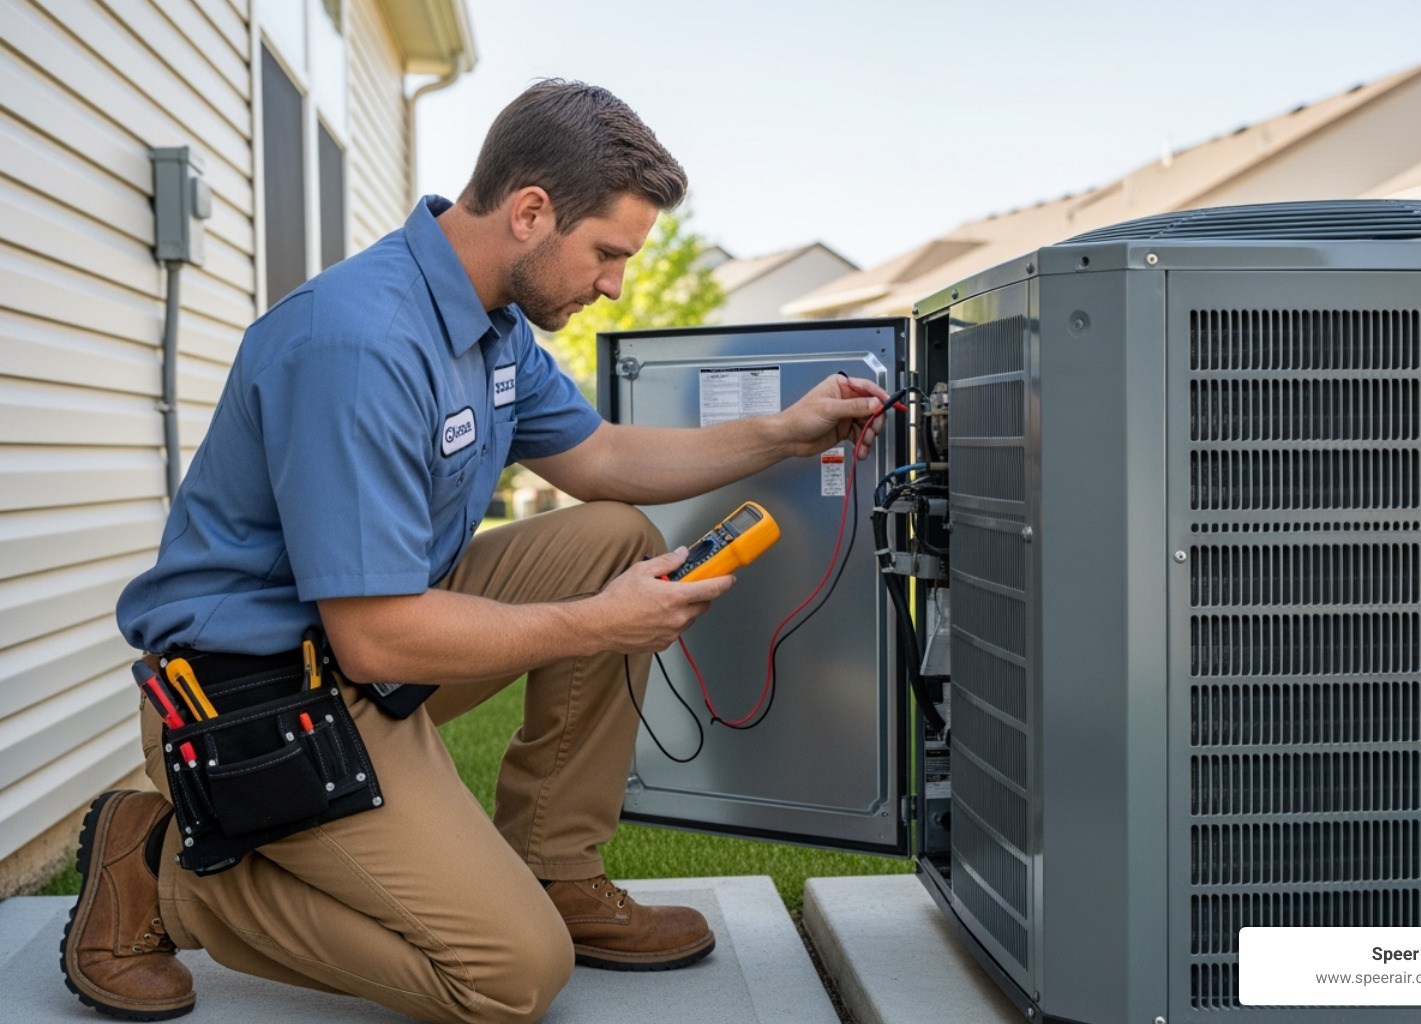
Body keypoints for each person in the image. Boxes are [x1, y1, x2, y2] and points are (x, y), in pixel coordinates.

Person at [60, 80, 887, 1023]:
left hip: (357, 650)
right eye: (607, 253)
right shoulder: (359, 344)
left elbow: (602, 457)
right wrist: (598, 624)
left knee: (611, 535)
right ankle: (160, 875)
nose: (614, 284)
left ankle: (554, 869)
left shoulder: (492, 325)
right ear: (530, 212)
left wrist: (783, 434)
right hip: (255, 698)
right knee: (510, 976)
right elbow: (377, 639)